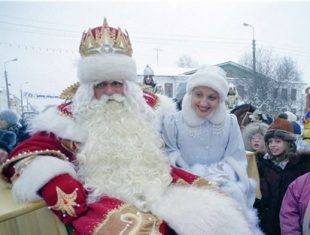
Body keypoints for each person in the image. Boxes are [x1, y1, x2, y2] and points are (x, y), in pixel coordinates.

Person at [0, 19, 256, 235]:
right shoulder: (68, 116)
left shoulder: (151, 107)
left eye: (116, 83)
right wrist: (60, 183)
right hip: (103, 193)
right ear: (89, 87)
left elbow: (191, 129)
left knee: (221, 210)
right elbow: (29, 154)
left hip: (159, 183)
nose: (110, 91)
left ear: (128, 83)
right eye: (101, 85)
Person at [161, 65, 262, 235]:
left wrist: (220, 174)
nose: (204, 102)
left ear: (220, 99)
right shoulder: (173, 122)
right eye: (198, 94)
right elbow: (168, 156)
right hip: (184, 188)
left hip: (223, 187)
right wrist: (193, 177)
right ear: (190, 92)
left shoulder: (229, 122)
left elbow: (236, 157)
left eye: (212, 97)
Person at [255, 118, 310, 235]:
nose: (272, 145)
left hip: (292, 225)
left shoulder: (301, 166)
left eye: (277, 141)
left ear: (288, 143)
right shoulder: (261, 165)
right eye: (270, 142)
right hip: (266, 225)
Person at [242, 122, 269, 201]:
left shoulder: (268, 160)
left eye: (261, 138)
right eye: (253, 138)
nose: (256, 140)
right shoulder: (243, 157)